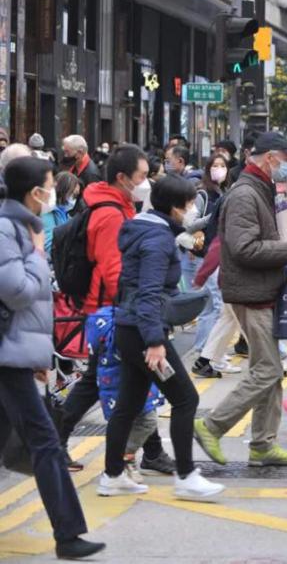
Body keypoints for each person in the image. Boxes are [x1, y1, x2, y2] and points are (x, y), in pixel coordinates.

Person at [0, 156, 106, 560]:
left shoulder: (22, 227)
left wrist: (39, 355)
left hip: (15, 352)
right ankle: (68, 534)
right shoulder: (8, 229)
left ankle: (68, 534)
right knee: (45, 441)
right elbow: (17, 291)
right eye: (49, 184)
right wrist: (37, 258)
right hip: (7, 354)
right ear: (34, 192)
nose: (53, 191)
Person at [97, 174, 226, 501]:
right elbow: (149, 293)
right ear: (175, 207)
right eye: (190, 204)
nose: (193, 210)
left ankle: (112, 475)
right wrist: (155, 342)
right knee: (186, 399)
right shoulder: (157, 240)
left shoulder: (146, 229)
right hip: (144, 333)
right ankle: (186, 476)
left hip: (131, 329)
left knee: (128, 404)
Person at [59, 145, 174, 476]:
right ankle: (56, 441)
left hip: (114, 308)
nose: (146, 183)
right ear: (122, 177)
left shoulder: (119, 206)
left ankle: (151, 451)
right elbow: (116, 271)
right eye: (142, 176)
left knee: (126, 379)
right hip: (111, 310)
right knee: (109, 379)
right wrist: (133, 311)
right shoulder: (111, 215)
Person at [193, 132, 287, 467]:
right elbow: (245, 248)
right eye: (285, 159)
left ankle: (262, 445)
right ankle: (212, 426)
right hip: (250, 293)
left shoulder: (259, 187)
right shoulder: (245, 194)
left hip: (260, 290)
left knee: (268, 370)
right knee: (269, 370)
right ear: (270, 157)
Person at [188, 152, 236, 378]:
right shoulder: (203, 194)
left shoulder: (225, 194)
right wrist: (211, 218)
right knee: (217, 308)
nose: (219, 169)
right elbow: (190, 225)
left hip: (217, 262)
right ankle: (205, 353)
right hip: (206, 257)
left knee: (224, 313)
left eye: (222, 165)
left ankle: (207, 358)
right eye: (215, 165)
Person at [42, 171, 80, 256]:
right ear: (63, 191)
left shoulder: (66, 214)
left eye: (76, 196)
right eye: (73, 195)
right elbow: (49, 247)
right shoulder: (47, 213)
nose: (74, 199)